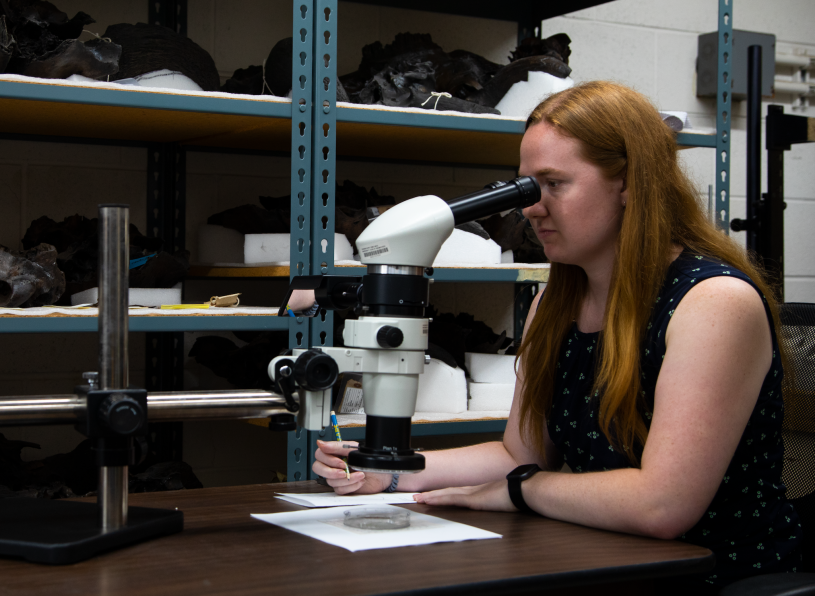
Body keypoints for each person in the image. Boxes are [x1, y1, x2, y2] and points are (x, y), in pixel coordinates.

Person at [312, 81, 802, 591]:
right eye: (525, 186)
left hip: (713, 573)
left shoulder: (713, 302)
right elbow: (519, 455)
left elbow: (664, 505)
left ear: (629, 183)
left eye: (553, 184)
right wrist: (390, 472)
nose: (530, 206)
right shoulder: (558, 299)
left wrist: (522, 489)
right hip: (602, 556)